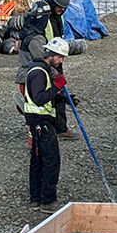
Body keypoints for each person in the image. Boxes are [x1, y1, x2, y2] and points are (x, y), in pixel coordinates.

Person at [15, 0, 77, 140]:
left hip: (27, 76)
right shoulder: (36, 39)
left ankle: (42, 136)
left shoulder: (27, 32)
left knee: (36, 108)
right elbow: (44, 60)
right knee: (37, 110)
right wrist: (57, 77)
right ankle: (37, 141)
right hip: (33, 76)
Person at [24, 37, 70, 214]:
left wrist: (63, 98)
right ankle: (48, 201)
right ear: (51, 54)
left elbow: (45, 96)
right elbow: (39, 98)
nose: (61, 61)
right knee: (50, 161)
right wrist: (57, 87)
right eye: (60, 57)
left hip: (38, 121)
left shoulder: (42, 70)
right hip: (41, 122)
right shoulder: (38, 72)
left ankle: (36, 199)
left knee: (38, 160)